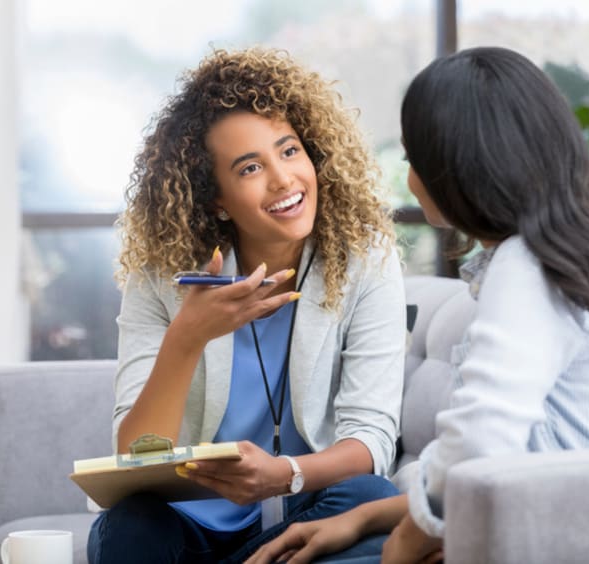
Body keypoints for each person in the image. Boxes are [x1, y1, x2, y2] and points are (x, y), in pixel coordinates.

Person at [247, 46, 589, 564]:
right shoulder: (588, 258)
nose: (410, 178)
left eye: (413, 160)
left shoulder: (526, 268)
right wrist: (365, 519)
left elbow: (478, 445)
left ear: (458, 170)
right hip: (564, 521)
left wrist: (405, 545)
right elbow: (526, 457)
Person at [86, 47, 408, 563]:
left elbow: (371, 442)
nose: (283, 180)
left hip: (301, 522)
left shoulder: (366, 260)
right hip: (188, 529)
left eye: (289, 151)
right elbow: (132, 459)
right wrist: (187, 337)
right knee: (128, 527)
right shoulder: (162, 276)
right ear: (215, 198)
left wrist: (284, 475)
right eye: (251, 167)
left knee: (372, 498)